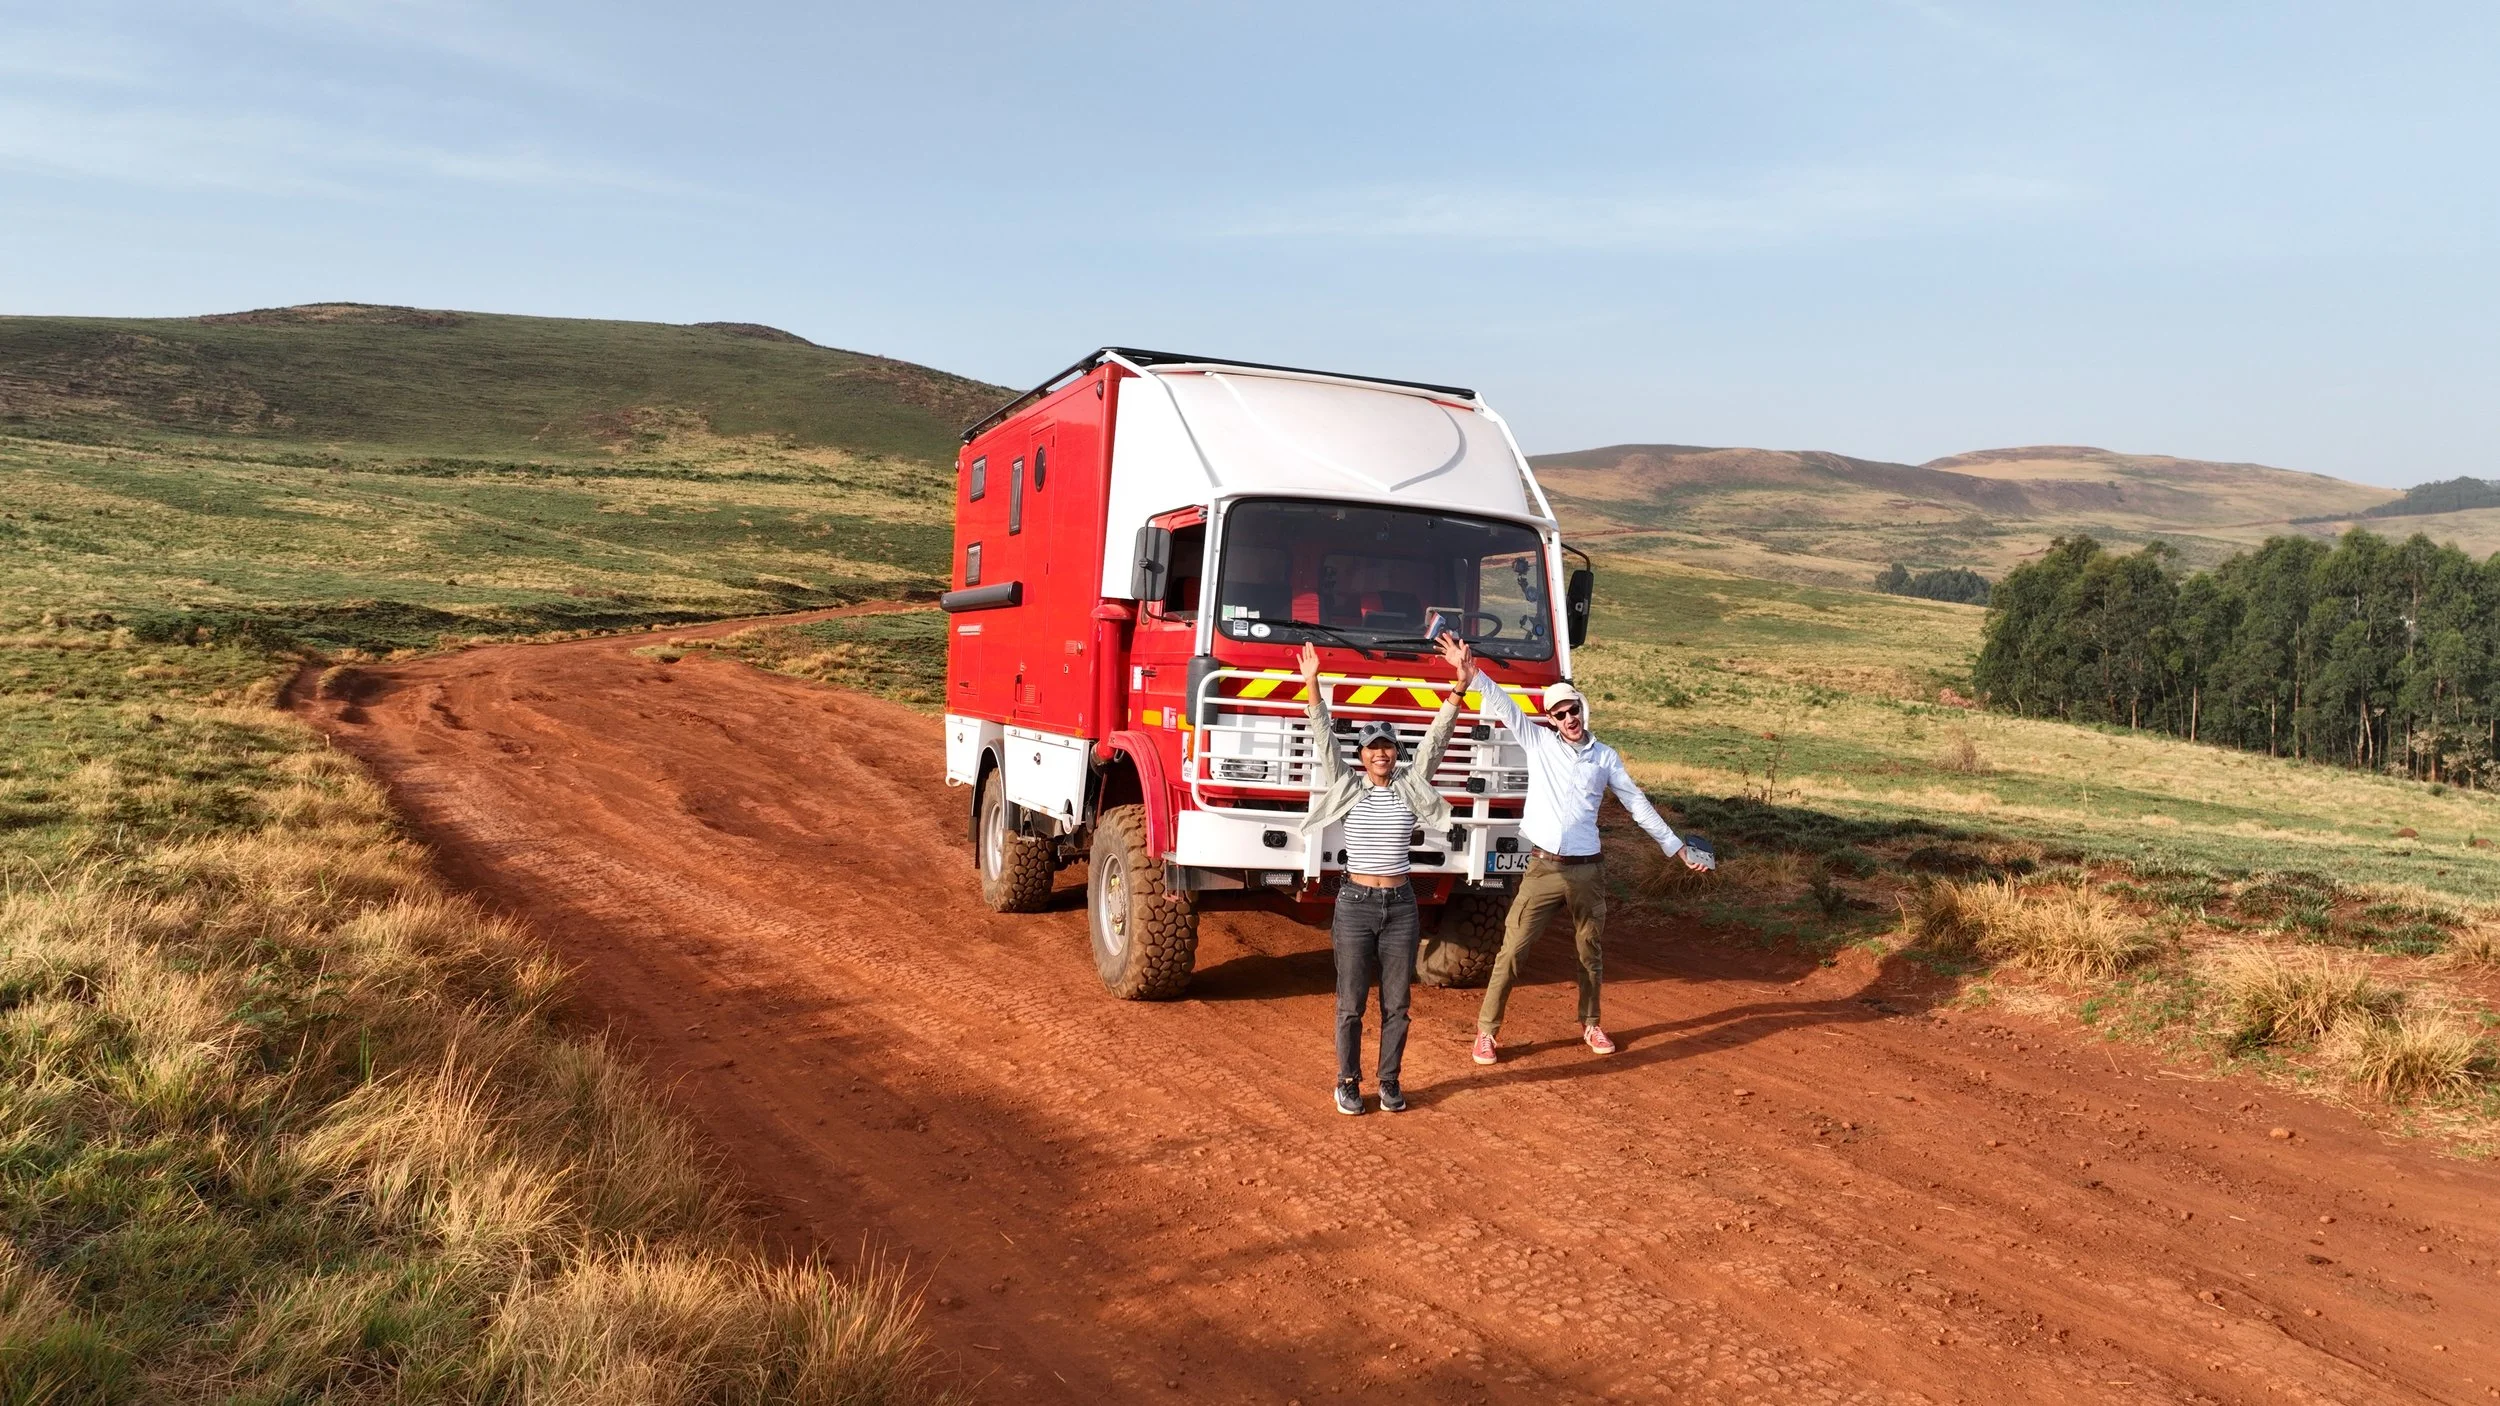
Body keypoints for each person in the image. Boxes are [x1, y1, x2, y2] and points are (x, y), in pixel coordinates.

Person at [1433, 631, 1714, 1064]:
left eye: (1573, 709)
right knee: (1511, 952)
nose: (1569, 718)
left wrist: (1676, 848)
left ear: (1583, 709)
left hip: (1588, 871)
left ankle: (1591, 1023)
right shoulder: (1539, 743)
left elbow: (1636, 804)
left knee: (1589, 952)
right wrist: (1472, 674)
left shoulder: (1605, 757)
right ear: (1551, 720)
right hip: (1543, 869)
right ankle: (1486, 1033)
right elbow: (1506, 705)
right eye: (1560, 713)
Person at [1297, 639, 1469, 1115]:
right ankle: (1348, 1082)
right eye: (1372, 747)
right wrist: (1312, 683)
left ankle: (1389, 1082)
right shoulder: (1347, 786)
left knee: (1398, 1003)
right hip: (1354, 905)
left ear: (1396, 753)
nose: (1380, 754)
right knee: (1351, 1002)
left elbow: (1437, 738)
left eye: (1387, 747)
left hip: (1400, 908)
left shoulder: (1411, 787)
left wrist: (1459, 687)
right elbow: (1322, 738)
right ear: (1362, 754)